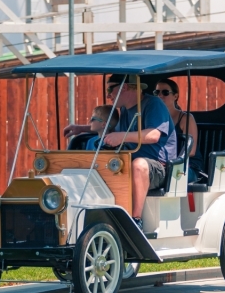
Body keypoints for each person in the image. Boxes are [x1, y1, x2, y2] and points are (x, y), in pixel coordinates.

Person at [64, 74, 176, 228]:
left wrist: (121, 136)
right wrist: (81, 129)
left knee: (138, 165)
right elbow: (111, 130)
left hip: (159, 168)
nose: (108, 94)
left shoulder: (153, 104)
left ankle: (135, 221)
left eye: (110, 88)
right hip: (125, 164)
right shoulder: (124, 109)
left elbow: (153, 135)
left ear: (124, 87)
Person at [153, 78, 203, 183]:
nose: (160, 95)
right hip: (162, 164)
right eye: (157, 92)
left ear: (175, 96)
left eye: (165, 92)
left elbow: (191, 151)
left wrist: (168, 161)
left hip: (187, 167)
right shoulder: (153, 118)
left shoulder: (185, 118)